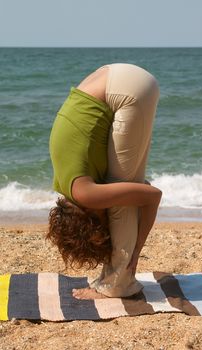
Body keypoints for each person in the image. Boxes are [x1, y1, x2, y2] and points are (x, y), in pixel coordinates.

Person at [47, 63, 161, 299]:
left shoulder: (86, 194)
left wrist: (137, 248)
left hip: (128, 91)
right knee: (119, 191)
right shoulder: (65, 183)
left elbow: (152, 195)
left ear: (88, 223)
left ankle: (117, 284)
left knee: (119, 204)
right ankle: (115, 278)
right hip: (113, 75)